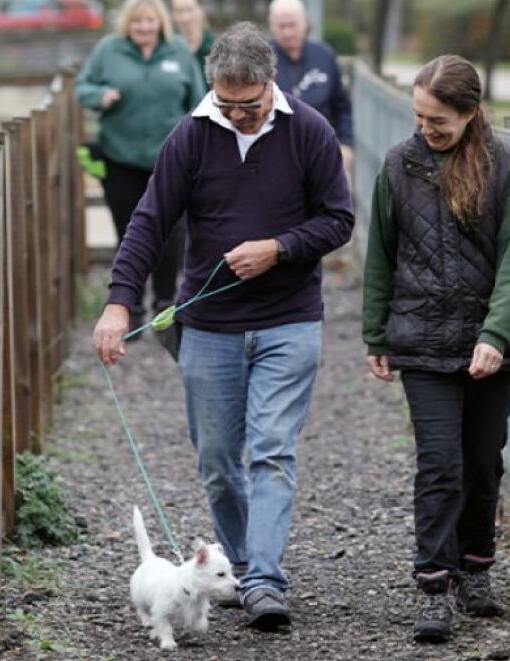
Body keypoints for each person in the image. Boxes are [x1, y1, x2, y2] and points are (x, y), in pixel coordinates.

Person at [93, 22, 353, 631]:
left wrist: (280, 248)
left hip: (289, 320)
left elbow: (339, 221)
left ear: (271, 83)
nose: (236, 114)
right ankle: (239, 566)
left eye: (250, 104)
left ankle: (263, 579)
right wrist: (119, 302)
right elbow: (150, 220)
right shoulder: (191, 136)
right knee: (216, 460)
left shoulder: (309, 131)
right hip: (208, 325)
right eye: (226, 102)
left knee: (270, 451)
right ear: (213, 87)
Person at [361, 54, 510, 644]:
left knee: (483, 464)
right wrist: (375, 334)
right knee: (440, 464)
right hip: (421, 341)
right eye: (418, 116)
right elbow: (380, 254)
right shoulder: (398, 165)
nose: (425, 129)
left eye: (437, 120)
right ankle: (434, 584)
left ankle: (475, 569)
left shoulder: (507, 168)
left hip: (491, 348)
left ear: (469, 113)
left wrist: (494, 335)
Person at [76, 0, 204, 331]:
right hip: (121, 157)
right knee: (129, 231)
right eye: (137, 22)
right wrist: (100, 95)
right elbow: (83, 87)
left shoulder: (177, 52)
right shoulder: (109, 51)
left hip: (170, 161)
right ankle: (128, 306)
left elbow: (199, 101)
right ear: (127, 25)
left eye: (150, 21)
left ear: (160, 22)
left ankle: (164, 303)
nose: (144, 27)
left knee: (171, 233)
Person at [267, 0, 353, 171]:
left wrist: (346, 144)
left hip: (324, 149)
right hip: (277, 155)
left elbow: (342, 106)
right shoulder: (262, 59)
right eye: (281, 26)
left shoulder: (325, 55)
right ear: (271, 26)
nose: (288, 32)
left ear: (305, 22)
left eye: (292, 24)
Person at [170, 0, 213, 84]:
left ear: (201, 10)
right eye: (179, 11)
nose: (185, 17)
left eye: (190, 10)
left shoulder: (215, 49)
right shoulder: (165, 49)